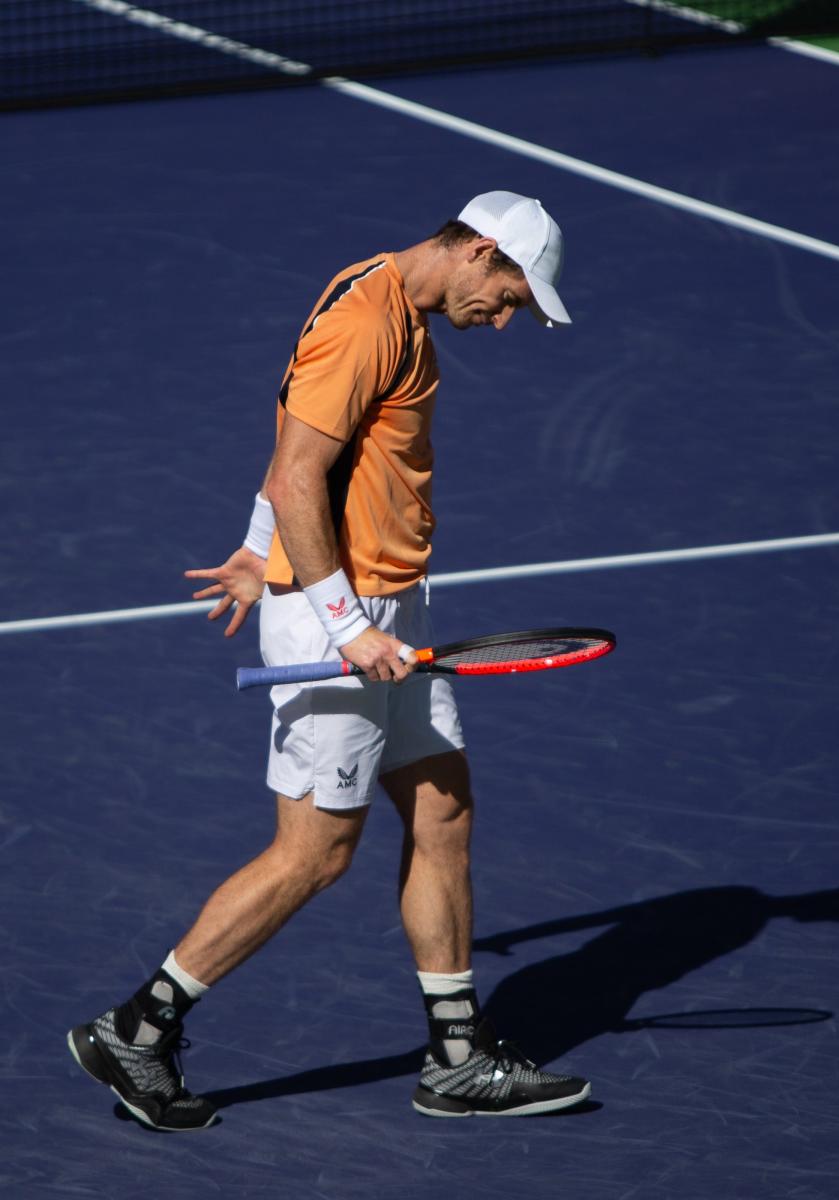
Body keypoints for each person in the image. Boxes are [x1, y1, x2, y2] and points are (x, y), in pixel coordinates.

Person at [67, 191, 591, 1130]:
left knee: (443, 808)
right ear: (477, 252)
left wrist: (255, 543)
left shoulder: (384, 294)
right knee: (315, 853)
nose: (506, 319)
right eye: (510, 295)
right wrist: (346, 624)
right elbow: (299, 470)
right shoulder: (367, 324)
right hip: (339, 622)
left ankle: (458, 1059)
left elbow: (305, 450)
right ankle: (137, 1031)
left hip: (383, 607)